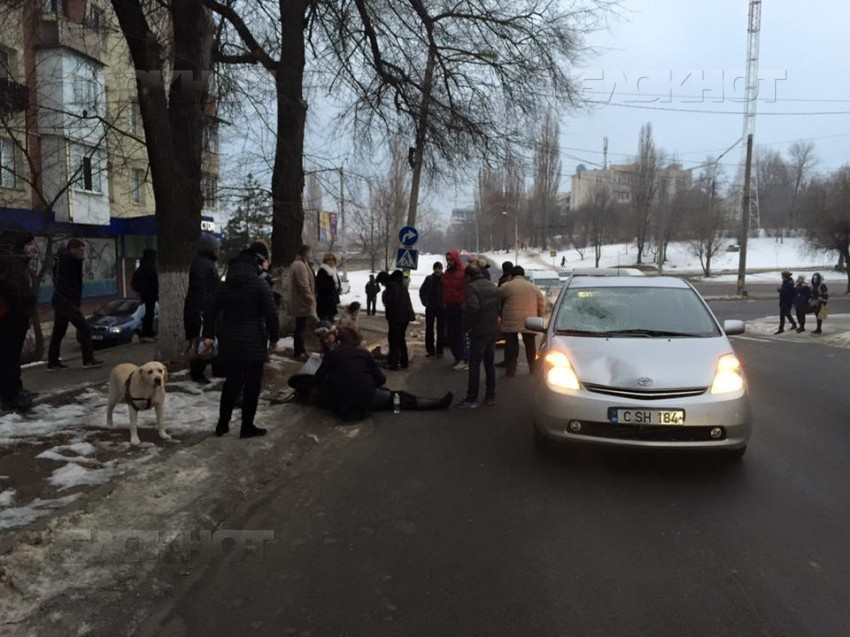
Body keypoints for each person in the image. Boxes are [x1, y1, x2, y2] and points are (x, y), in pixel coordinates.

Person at [203, 247, 279, 439]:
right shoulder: (260, 285)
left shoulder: (225, 285)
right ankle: (247, 426)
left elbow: (211, 310)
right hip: (254, 340)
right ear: (256, 262)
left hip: (230, 340)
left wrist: (209, 334)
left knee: (232, 383)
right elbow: (271, 314)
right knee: (252, 385)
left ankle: (222, 425)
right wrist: (275, 338)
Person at [312, 327, 452, 421]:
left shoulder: (331, 355)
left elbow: (317, 380)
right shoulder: (363, 354)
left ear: (338, 341)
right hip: (367, 396)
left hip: (341, 402)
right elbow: (381, 379)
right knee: (400, 398)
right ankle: (435, 403)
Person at [47, 239, 102, 370]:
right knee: (84, 328)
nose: (83, 253)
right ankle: (88, 359)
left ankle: (53, 361)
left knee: (59, 331)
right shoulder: (67, 262)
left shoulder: (67, 261)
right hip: (65, 301)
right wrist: (71, 299)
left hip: (63, 300)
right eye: (81, 250)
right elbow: (66, 283)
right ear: (73, 249)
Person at [0, 231, 38, 412]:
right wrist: (29, 301)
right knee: (9, 355)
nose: (33, 248)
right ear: (22, 246)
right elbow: (15, 292)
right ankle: (10, 395)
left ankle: (15, 389)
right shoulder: (12, 265)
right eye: (30, 244)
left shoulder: (17, 264)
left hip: (16, 316)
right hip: (12, 317)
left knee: (12, 356)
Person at [459, 264, 500, 408]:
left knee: (474, 364)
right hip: (492, 329)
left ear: (468, 276)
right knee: (489, 364)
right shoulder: (491, 285)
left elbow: (473, 308)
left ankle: (472, 398)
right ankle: (490, 396)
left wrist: (466, 325)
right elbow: (499, 306)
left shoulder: (471, 288)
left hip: (479, 331)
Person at [183, 235, 221, 383]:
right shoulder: (203, 265)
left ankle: (209, 369)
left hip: (203, 308)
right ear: (210, 248)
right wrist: (205, 309)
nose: (218, 251)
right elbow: (201, 289)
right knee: (202, 341)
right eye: (217, 248)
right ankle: (197, 373)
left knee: (207, 339)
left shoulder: (204, 263)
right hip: (201, 309)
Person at [499, 266, 545, 377]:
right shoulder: (533, 287)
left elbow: (497, 299)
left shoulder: (506, 286)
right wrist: (539, 318)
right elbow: (541, 304)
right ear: (523, 275)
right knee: (530, 346)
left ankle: (511, 371)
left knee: (511, 347)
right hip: (529, 321)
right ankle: (533, 369)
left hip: (510, 320)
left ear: (511, 275)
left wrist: (500, 314)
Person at [287, 244, 317, 362]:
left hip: (301, 301)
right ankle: (299, 351)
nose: (311, 254)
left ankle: (301, 350)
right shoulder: (300, 265)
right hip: (301, 302)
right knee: (300, 327)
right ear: (305, 253)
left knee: (301, 326)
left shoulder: (301, 263)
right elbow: (303, 284)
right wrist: (310, 298)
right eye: (310, 252)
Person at [380, 270, 414, 371]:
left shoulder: (391, 287)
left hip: (396, 318)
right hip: (405, 317)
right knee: (401, 339)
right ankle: (404, 362)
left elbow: (390, 303)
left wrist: (385, 298)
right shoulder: (401, 286)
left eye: (381, 283)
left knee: (393, 340)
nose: (382, 285)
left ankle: (393, 364)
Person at [443, 249, 467, 370]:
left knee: (460, 334)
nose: (449, 262)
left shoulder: (463, 272)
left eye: (451, 259)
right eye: (448, 260)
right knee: (450, 335)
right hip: (449, 307)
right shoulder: (447, 273)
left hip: (460, 308)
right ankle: (457, 357)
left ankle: (463, 358)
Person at [131, 248, 158, 340]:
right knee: (149, 313)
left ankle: (146, 332)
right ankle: (147, 333)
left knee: (148, 312)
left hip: (145, 293)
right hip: (150, 293)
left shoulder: (142, 266)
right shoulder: (149, 266)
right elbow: (153, 281)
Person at [419, 261, 445, 358]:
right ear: (433, 269)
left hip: (442, 307)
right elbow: (422, 291)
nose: (437, 270)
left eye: (439, 268)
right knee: (429, 329)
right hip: (430, 307)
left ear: (442, 269)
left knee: (441, 329)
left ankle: (440, 350)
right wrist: (425, 302)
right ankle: (430, 350)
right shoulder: (429, 279)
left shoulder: (445, 279)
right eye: (436, 268)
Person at [315, 252, 341, 322]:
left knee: (331, 321)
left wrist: (338, 287)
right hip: (324, 301)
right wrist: (333, 286)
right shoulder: (323, 271)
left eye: (333, 260)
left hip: (332, 300)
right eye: (329, 260)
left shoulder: (334, 271)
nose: (331, 261)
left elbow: (337, 282)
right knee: (325, 321)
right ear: (325, 261)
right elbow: (321, 285)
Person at [774, 270, 797, 335]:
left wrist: (779, 290)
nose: (781, 277)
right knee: (786, 314)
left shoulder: (789, 283)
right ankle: (793, 324)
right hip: (784, 301)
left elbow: (786, 291)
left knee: (783, 315)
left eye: (782, 276)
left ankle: (781, 329)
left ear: (785, 276)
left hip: (787, 301)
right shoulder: (787, 281)